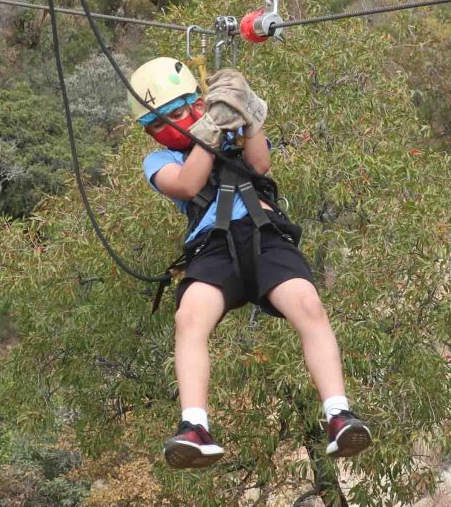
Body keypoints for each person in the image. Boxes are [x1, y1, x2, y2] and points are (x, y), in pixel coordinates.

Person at [128, 57, 371, 469]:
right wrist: (210, 130)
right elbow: (187, 184)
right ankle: (194, 425)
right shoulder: (160, 162)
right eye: (156, 124)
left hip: (262, 232)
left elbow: (259, 165)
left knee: (307, 304)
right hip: (213, 246)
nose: (169, 127)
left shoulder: (232, 130)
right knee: (189, 317)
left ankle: (338, 413)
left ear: (196, 103)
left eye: (176, 114)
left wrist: (248, 114)